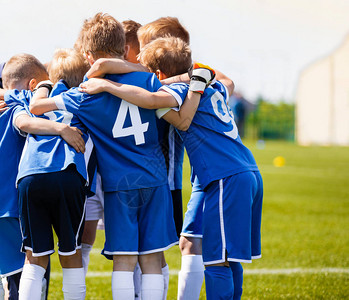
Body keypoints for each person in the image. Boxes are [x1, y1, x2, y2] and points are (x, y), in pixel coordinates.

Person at [79, 36, 263, 300]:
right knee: (229, 256)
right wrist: (188, 75)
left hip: (225, 176)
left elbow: (152, 100)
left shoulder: (178, 93)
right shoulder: (214, 86)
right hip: (248, 170)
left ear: (157, 74)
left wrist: (108, 85)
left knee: (215, 260)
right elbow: (226, 79)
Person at [28, 13, 188, 300]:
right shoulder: (150, 79)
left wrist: (41, 86)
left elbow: (37, 108)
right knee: (151, 259)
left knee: (124, 261)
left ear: (88, 56)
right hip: (155, 180)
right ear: (124, 47)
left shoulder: (85, 93)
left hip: (119, 186)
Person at [3, 52, 88, 300]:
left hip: (30, 176)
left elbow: (8, 94)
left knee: (34, 257)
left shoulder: (31, 96)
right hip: (67, 173)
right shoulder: (85, 98)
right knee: (70, 254)